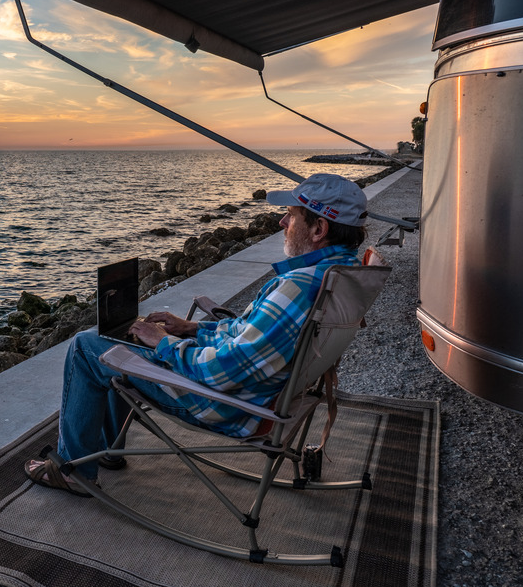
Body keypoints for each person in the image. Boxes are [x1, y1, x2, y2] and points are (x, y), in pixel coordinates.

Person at [24, 173, 369, 496]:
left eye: (291, 215)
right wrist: (192, 328)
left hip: (228, 405)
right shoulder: (341, 275)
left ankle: (74, 471)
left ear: (319, 228)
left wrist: (164, 343)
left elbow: (224, 370)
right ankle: (106, 450)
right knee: (124, 340)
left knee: (87, 346)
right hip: (266, 393)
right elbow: (250, 339)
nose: (282, 223)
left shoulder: (298, 287)